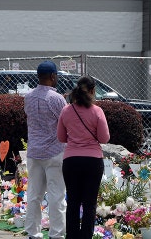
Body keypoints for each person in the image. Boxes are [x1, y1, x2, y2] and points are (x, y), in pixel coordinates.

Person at [57, 75, 110, 239]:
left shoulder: (66, 110)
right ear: (93, 91)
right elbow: (104, 138)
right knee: (89, 203)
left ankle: (72, 236)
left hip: (71, 160)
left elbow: (61, 137)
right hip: (93, 161)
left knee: (72, 201)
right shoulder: (97, 111)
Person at [23, 61, 67, 239]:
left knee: (34, 194)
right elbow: (65, 122)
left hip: (34, 151)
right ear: (53, 76)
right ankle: (56, 234)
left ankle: (33, 232)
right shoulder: (56, 99)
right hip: (54, 151)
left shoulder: (28, 97)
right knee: (56, 196)